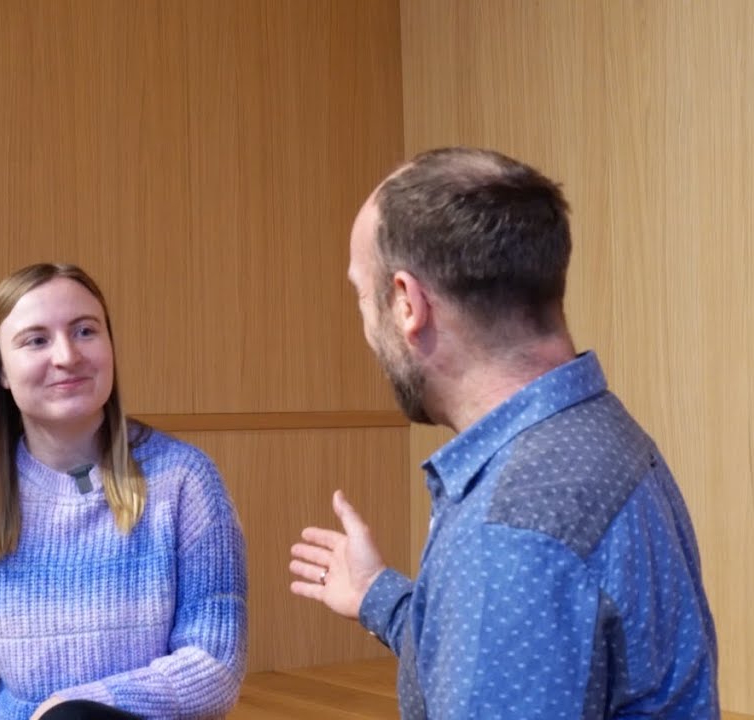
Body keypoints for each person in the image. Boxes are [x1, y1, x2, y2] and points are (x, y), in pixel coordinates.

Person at [289, 148, 719, 718]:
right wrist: (378, 596)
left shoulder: (514, 529)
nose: (366, 326)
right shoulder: (600, 437)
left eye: (363, 296)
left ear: (408, 303)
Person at [0, 263, 248, 720]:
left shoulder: (185, 480)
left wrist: (78, 709)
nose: (67, 356)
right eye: (36, 340)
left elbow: (214, 665)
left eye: (85, 331)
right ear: (1, 370)